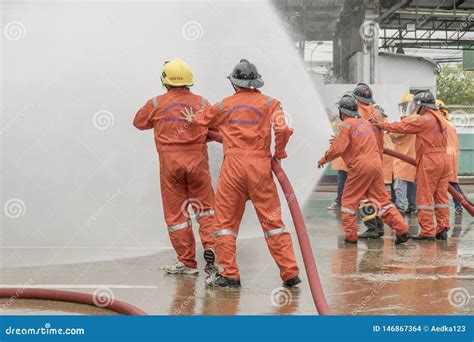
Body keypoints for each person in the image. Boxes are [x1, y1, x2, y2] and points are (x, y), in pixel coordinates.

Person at [185, 59, 301, 288]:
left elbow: (201, 121)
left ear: (234, 83)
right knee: (273, 223)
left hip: (233, 170)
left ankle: (230, 275)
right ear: (256, 81)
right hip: (261, 168)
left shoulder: (224, 105)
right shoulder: (271, 103)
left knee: (225, 224)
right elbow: (283, 128)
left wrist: (195, 120)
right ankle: (289, 273)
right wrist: (279, 153)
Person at [133, 58, 217, 275]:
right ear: (190, 81)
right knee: (205, 210)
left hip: (171, 166)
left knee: (176, 216)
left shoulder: (156, 103)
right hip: (198, 163)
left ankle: (187, 263)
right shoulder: (202, 103)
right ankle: (212, 249)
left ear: (165, 80)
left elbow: (139, 123)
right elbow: (214, 128)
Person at [317, 94, 411, 244]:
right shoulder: (365, 123)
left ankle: (351, 236)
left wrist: (324, 159)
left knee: (348, 201)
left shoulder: (345, 125)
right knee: (382, 201)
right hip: (376, 164)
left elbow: (338, 148)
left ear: (343, 112)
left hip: (360, 166)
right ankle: (402, 230)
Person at [378, 90, 451, 241]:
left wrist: (382, 125)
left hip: (430, 160)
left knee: (424, 196)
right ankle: (442, 228)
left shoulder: (425, 119)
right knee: (441, 197)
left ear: (422, 106)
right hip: (444, 159)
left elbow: (403, 126)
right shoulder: (440, 119)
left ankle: (427, 231)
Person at [352, 84, 385, 239]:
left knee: (364, 197)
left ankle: (371, 227)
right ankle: (379, 226)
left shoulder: (357, 113)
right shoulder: (376, 112)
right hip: (377, 160)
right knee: (377, 196)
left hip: (364, 160)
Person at [391, 93, 417, 215]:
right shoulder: (418, 120)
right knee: (412, 183)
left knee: (400, 184)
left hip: (402, 158)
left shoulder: (408, 120)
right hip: (414, 159)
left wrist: (390, 133)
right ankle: (413, 206)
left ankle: (400, 208)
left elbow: (395, 133)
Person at [437, 99, 463, 216]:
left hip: (445, 155)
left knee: (450, 183)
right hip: (451, 155)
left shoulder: (441, 123)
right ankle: (460, 205)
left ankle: (459, 206)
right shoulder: (450, 124)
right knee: (452, 182)